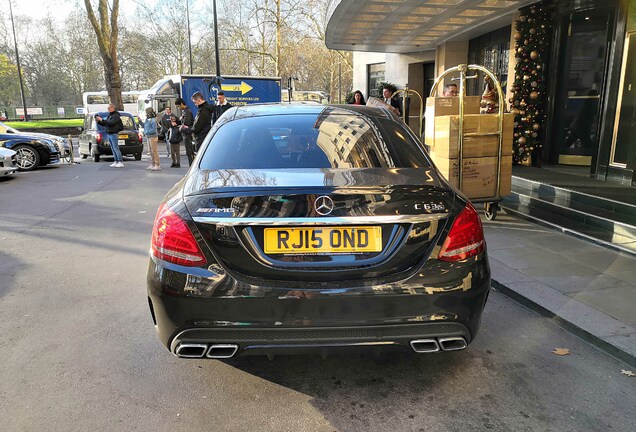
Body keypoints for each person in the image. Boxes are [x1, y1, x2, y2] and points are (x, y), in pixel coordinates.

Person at [95, 103, 124, 168]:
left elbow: (111, 123)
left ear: (112, 108)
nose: (108, 109)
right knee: (113, 148)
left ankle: (120, 161)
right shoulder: (110, 115)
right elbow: (105, 124)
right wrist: (99, 121)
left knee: (116, 148)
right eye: (107, 108)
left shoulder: (115, 115)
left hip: (114, 133)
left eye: (109, 108)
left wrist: (102, 120)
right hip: (109, 133)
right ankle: (116, 161)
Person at [175, 98, 195, 166]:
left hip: (187, 135)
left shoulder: (187, 112)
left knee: (190, 152)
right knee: (188, 152)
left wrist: (180, 128)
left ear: (181, 104)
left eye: (178, 106)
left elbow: (187, 124)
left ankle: (191, 167)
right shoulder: (185, 111)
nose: (178, 108)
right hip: (185, 135)